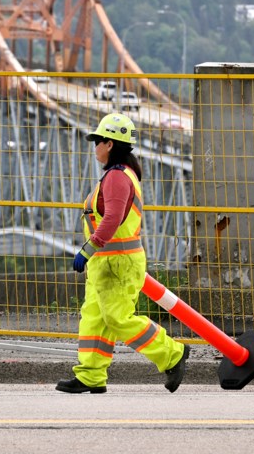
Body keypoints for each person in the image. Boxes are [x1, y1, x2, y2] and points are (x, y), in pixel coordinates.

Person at [56, 112, 190, 394]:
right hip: (105, 263)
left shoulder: (117, 177)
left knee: (118, 317)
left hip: (119, 262)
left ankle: (172, 354)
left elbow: (112, 218)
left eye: (97, 141)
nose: (94, 147)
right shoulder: (117, 175)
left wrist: (87, 249)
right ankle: (91, 376)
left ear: (110, 144)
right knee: (94, 318)